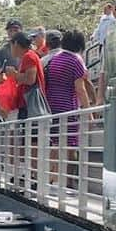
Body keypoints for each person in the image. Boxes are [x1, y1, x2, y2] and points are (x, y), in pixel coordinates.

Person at [43, 29, 93, 184]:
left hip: (52, 107)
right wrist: (88, 111)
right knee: (70, 146)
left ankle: (51, 178)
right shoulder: (76, 60)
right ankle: (67, 183)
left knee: (55, 143)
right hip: (68, 108)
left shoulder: (55, 59)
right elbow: (80, 88)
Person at [0, 20, 22, 95]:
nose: (13, 33)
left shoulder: (30, 49)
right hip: (10, 92)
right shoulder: (2, 51)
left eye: (16, 30)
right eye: (10, 30)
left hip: (27, 91)